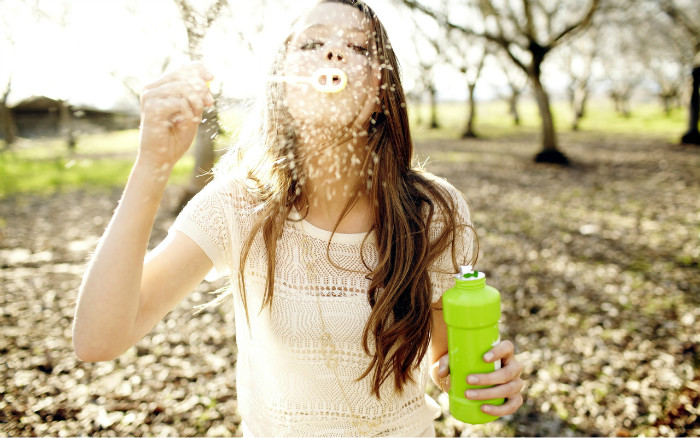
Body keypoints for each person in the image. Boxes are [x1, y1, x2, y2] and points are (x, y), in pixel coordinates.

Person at [73, 0, 524, 435]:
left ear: (382, 95)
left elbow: (446, 366)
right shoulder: (238, 205)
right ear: (282, 87)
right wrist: (152, 166)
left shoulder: (434, 213)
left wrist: (479, 382)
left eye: (360, 48)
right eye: (311, 44)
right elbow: (98, 340)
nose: (334, 51)